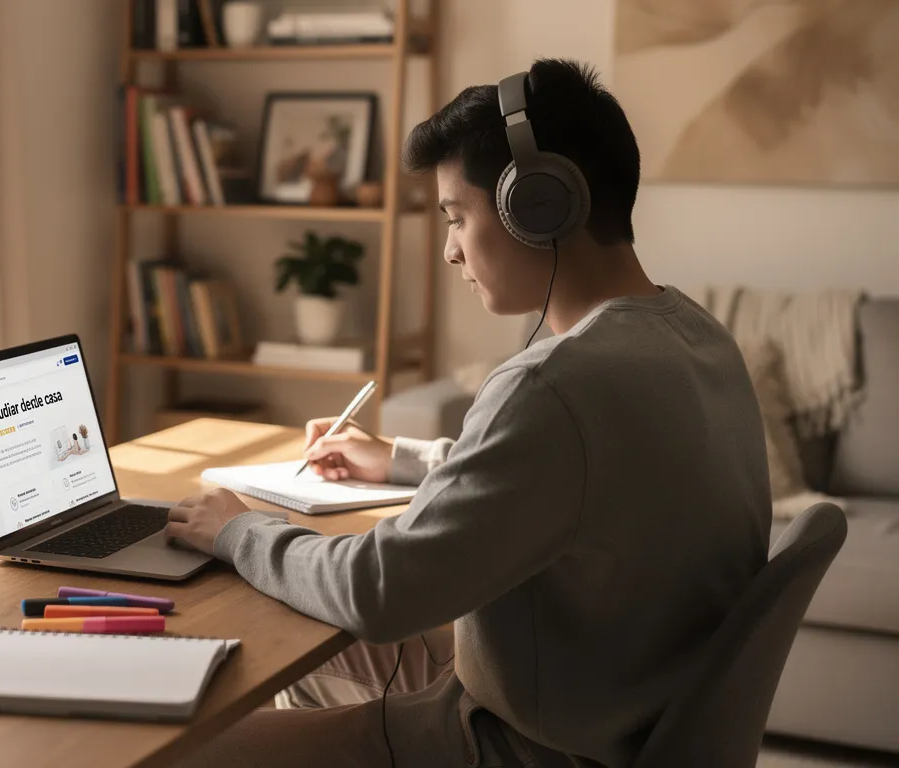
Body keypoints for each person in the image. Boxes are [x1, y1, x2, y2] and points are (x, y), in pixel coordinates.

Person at [164, 58, 770, 767]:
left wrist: (239, 529)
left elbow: (377, 591)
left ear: (537, 205)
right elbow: (587, 476)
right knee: (310, 652)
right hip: (615, 711)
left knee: (183, 748)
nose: (451, 250)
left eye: (457, 216)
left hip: (519, 747)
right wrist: (400, 459)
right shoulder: (697, 337)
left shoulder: (554, 384)